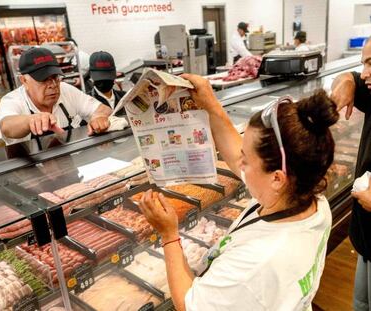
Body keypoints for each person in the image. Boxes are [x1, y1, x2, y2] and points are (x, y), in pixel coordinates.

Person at [138, 74, 339, 310]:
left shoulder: (257, 262)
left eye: (246, 159)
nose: (238, 164)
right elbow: (236, 153)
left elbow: (188, 304)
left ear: (277, 178)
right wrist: (210, 103)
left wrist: (168, 234)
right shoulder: (312, 201)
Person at [0, 47, 112, 145]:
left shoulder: (66, 89)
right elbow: (6, 126)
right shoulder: (12, 100)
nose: (53, 85)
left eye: (55, 78)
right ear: (24, 81)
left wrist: (99, 117)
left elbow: (103, 109)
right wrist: (30, 121)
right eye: (44, 80)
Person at [331, 36, 371, 311]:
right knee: (360, 304)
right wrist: (346, 80)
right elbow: (352, 79)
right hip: (366, 237)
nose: (365, 72)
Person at [88, 51, 126, 116]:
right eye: (100, 78)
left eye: (107, 78)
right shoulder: (86, 102)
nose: (104, 81)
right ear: (90, 75)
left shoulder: (126, 97)